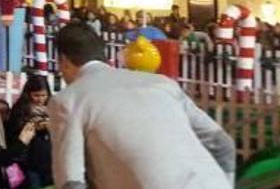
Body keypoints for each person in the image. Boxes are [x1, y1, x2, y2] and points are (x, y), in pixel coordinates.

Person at [50, 23, 236, 189]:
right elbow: (223, 144)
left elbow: (71, 181)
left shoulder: (69, 100)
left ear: (64, 61)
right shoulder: (161, 84)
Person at [7, 76, 52, 188]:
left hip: (47, 163)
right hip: (28, 163)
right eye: (36, 95)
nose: (40, 99)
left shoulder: (51, 109)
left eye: (43, 95)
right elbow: (14, 134)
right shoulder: (20, 109)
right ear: (28, 93)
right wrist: (34, 126)